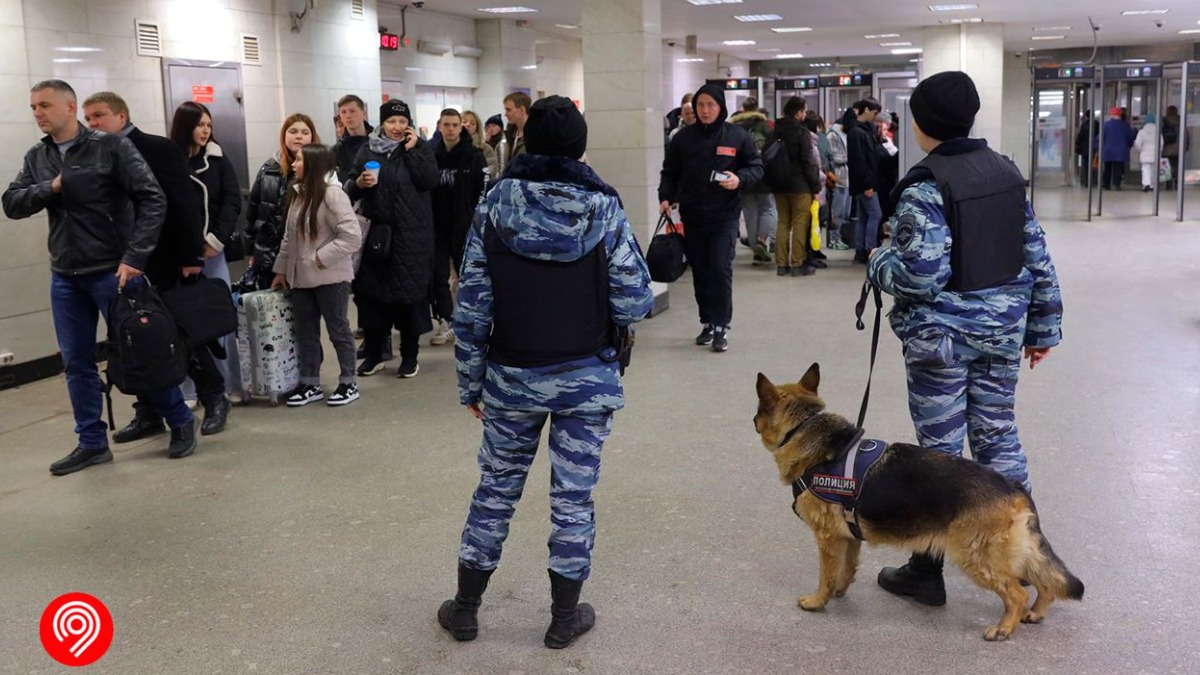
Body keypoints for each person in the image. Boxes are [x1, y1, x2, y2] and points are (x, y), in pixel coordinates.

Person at [438, 95, 654, 649]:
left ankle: (464, 610)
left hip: (511, 378)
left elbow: (472, 308)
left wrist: (470, 381)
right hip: (588, 377)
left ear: (527, 141)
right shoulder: (603, 207)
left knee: (496, 490)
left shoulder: (494, 204)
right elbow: (633, 302)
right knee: (572, 498)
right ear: (581, 147)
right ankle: (563, 617)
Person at [866, 71, 1063, 608]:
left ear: (920, 123)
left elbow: (920, 274)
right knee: (999, 438)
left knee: (940, 453)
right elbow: (1037, 257)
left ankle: (925, 573)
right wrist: (1042, 327)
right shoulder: (1005, 173)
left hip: (941, 344)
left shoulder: (926, 185)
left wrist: (879, 261)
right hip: (1002, 333)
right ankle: (1030, 555)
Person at [2, 80, 193, 474]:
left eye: (44, 106)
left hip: (115, 271)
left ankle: (180, 420)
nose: (37, 113)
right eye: (33, 107)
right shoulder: (38, 156)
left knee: (144, 351)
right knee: (76, 362)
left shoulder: (111, 146)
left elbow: (152, 198)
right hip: (66, 276)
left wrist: (135, 257)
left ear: (69, 107)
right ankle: (91, 442)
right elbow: (12, 203)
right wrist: (51, 187)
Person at [82, 92, 231, 443]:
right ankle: (148, 412)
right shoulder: (94, 154)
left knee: (180, 333)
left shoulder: (157, 148)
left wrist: (191, 257)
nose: (92, 124)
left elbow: (183, 203)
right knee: (132, 338)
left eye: (99, 116)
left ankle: (214, 397)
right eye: (88, 119)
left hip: (164, 259)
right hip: (120, 262)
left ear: (121, 115)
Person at [658, 83, 763, 353]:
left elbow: (756, 167)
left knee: (719, 268)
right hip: (693, 216)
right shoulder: (682, 139)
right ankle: (707, 321)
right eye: (700, 105)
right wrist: (665, 197)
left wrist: (739, 179)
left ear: (720, 107)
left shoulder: (737, 136)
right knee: (701, 272)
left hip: (725, 216)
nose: (705, 110)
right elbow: (669, 171)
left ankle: (721, 325)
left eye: (710, 105)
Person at [347, 99, 438, 379]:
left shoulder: (420, 148)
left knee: (409, 296)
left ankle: (410, 356)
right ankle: (374, 354)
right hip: (378, 235)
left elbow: (429, 180)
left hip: (412, 236)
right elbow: (349, 187)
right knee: (373, 297)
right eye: (391, 122)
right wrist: (360, 184)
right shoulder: (368, 149)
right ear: (382, 123)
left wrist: (412, 151)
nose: (397, 127)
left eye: (402, 122)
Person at [165, 100, 246, 411]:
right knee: (181, 324)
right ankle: (189, 388)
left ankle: (229, 384)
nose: (206, 131)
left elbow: (231, 203)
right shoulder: (169, 160)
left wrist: (217, 240)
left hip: (212, 253)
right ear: (185, 126)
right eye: (200, 125)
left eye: (209, 126)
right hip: (179, 256)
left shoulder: (218, 159)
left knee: (220, 320)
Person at [270, 144, 362, 406]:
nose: (295, 164)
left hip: (331, 278)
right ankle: (310, 383)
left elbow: (352, 236)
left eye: (299, 160)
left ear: (313, 164)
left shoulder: (333, 195)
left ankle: (348, 382)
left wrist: (319, 259)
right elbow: (290, 237)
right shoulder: (299, 194)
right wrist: (281, 269)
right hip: (301, 279)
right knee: (306, 332)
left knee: (338, 330)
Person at [429, 109, 487, 349]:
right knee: (438, 275)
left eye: (455, 124)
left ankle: (471, 319)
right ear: (440, 126)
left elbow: (482, 192)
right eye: (446, 125)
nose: (451, 129)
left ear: (461, 127)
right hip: (437, 226)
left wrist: (477, 222)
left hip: (464, 227)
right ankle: (446, 319)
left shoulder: (475, 156)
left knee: (467, 275)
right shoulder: (430, 154)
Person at [247, 113, 320, 289]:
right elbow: (253, 211)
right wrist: (252, 251)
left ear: (312, 137)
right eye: (293, 131)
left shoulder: (320, 171)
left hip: (304, 258)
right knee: (272, 313)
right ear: (284, 135)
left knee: (304, 314)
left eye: (304, 132)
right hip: (268, 255)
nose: (299, 136)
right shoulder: (268, 168)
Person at [770, 96, 822, 277]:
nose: (805, 114)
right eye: (805, 111)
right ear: (799, 112)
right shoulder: (801, 132)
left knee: (783, 223)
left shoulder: (775, 130)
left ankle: (782, 265)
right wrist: (816, 188)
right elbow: (808, 162)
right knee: (800, 223)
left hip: (778, 185)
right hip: (800, 186)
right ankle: (798, 264)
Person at [729, 97, 777, 266]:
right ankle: (762, 240)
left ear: (743, 109)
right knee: (767, 207)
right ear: (757, 108)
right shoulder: (766, 126)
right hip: (764, 173)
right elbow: (775, 149)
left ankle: (755, 248)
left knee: (750, 213)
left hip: (743, 175)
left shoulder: (735, 127)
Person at [846, 98, 884, 264]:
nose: (875, 117)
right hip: (866, 183)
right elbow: (859, 161)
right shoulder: (858, 132)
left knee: (863, 217)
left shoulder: (860, 131)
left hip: (861, 183)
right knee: (875, 214)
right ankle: (871, 249)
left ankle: (861, 250)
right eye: (874, 113)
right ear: (866, 109)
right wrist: (867, 184)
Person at [826, 111, 853, 250]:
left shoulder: (845, 134)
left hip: (846, 178)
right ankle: (834, 238)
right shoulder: (833, 135)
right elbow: (834, 157)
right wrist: (851, 156)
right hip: (838, 178)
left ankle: (839, 237)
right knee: (837, 211)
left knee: (844, 212)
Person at [333, 95, 374, 184]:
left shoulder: (377, 142)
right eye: (343, 112)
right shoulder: (336, 150)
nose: (348, 116)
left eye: (352, 111)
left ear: (363, 114)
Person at [1100, 107, 1135, 191]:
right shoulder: (1125, 125)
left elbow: (1100, 137)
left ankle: (1106, 184)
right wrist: (1128, 146)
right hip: (1121, 151)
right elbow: (1130, 137)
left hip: (1108, 150)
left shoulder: (1106, 125)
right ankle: (1117, 185)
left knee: (1107, 168)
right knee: (1118, 168)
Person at [461, 110, 499, 180]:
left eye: (472, 123)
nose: (468, 125)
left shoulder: (486, 148)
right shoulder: (449, 147)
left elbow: (491, 169)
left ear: (477, 128)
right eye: (464, 122)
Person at [1133, 113, 1160, 193]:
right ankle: (1152, 185)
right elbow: (1161, 143)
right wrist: (1159, 151)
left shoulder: (1142, 132)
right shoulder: (1158, 131)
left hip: (1145, 154)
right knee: (1154, 170)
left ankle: (1146, 184)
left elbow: (1137, 143)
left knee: (1145, 169)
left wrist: (1141, 150)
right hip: (1155, 154)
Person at [502, 92, 531, 166]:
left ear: (522, 110)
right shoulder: (510, 134)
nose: (505, 114)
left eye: (509, 110)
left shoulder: (535, 136)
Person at [1161, 105, 1184, 190]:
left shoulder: (1164, 121)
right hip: (1179, 148)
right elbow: (1186, 135)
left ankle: (1169, 184)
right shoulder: (1181, 120)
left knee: (1167, 167)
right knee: (1178, 166)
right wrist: (1186, 147)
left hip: (1167, 148)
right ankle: (1177, 183)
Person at [1074, 113, 1100, 187]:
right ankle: (1095, 181)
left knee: (1086, 166)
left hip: (1085, 149)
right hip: (1095, 148)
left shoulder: (1084, 125)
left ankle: (1087, 182)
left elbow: (1080, 137)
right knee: (1095, 165)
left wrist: (1077, 144)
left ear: (1086, 116)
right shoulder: (1097, 124)